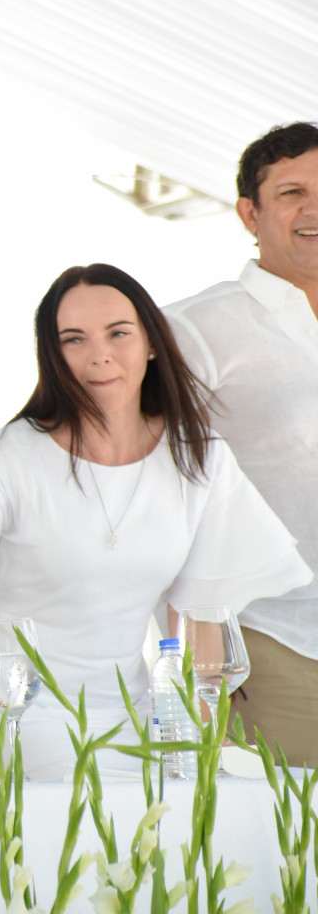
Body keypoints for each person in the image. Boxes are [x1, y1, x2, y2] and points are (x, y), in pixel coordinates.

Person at [0, 264, 308, 781]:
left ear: (151, 343)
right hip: (17, 708)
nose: (100, 355)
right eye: (74, 339)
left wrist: (203, 717)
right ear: (54, 355)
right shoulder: (10, 457)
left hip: (137, 712)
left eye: (118, 333)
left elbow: (201, 606)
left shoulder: (199, 457)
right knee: (92, 806)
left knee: (216, 805)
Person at [168, 122, 318, 766]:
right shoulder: (195, 329)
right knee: (286, 827)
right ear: (249, 214)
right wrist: (200, 667)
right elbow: (159, 493)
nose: (312, 209)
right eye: (292, 192)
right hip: (276, 642)